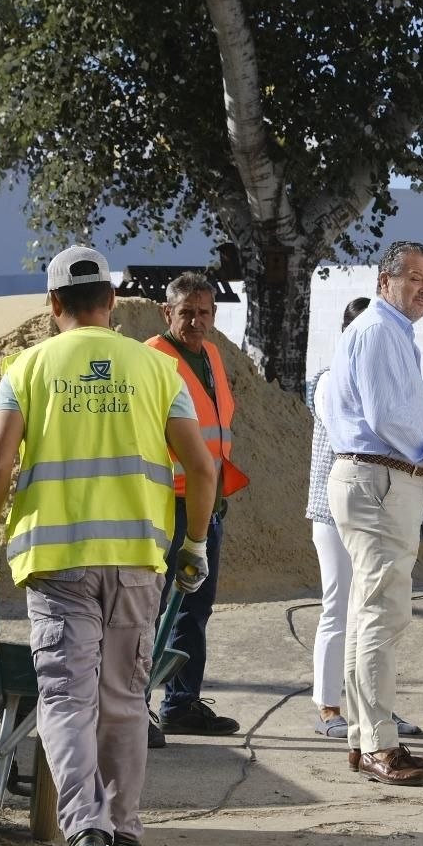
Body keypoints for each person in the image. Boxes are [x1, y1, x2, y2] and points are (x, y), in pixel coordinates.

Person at [0, 246, 215, 846]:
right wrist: (193, 546)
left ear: (54, 306)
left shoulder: (27, 368)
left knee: (66, 702)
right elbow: (202, 467)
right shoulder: (158, 368)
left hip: (57, 563)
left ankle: (86, 832)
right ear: (111, 302)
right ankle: (127, 837)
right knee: (124, 700)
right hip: (137, 560)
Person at [323, 241, 423, 786]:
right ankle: (379, 742)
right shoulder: (380, 330)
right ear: (385, 280)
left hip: (376, 476)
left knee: (371, 613)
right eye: (414, 278)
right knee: (382, 612)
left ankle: (367, 738)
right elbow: (389, 416)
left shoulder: (380, 333)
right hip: (380, 478)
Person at [304, 297, 420, 741]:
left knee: (373, 610)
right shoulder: (330, 381)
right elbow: (374, 425)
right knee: (339, 606)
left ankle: (372, 709)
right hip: (334, 511)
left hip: (376, 506)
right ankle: (329, 704)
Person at [144, 272, 249, 745]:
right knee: (149, 607)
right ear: (168, 313)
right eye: (187, 312)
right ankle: (135, 705)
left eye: (205, 312)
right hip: (167, 502)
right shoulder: (153, 358)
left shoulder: (210, 355)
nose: (196, 321)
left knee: (193, 608)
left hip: (207, 502)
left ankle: (181, 703)